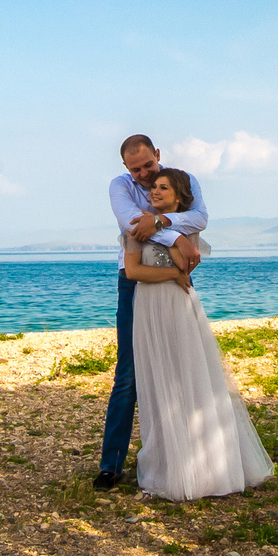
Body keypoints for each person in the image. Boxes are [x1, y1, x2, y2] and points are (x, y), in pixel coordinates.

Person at [121, 169, 273, 500]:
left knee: (189, 377)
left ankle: (204, 466)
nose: (155, 192)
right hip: (148, 308)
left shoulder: (185, 227)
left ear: (179, 198)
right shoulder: (136, 225)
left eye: (163, 188)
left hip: (178, 305)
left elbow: (187, 263)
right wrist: (173, 272)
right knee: (158, 382)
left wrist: (167, 231)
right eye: (154, 188)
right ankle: (168, 464)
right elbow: (133, 271)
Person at [98, 134, 208, 490]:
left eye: (149, 164)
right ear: (126, 168)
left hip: (175, 283)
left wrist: (160, 224)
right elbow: (133, 225)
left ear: (157, 154)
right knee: (129, 372)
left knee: (179, 366)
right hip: (134, 282)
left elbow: (200, 217)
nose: (144, 174)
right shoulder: (121, 186)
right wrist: (175, 234)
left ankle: (184, 456)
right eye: (137, 169)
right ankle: (110, 464)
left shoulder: (180, 179)